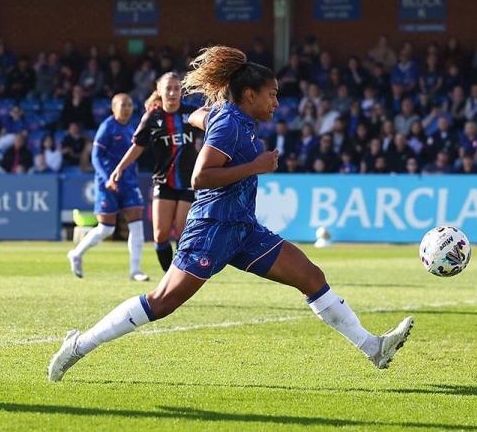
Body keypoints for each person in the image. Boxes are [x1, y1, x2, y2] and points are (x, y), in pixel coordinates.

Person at [48, 47, 413, 382]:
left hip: (243, 229)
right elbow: (201, 176)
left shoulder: (228, 117)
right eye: (272, 94)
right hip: (210, 228)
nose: (276, 101)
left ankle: (374, 348)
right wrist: (256, 165)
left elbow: (199, 115)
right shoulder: (230, 124)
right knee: (162, 302)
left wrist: (195, 116)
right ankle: (79, 345)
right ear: (250, 94)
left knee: (311, 275)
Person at [108, 72, 198, 273]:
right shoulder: (152, 117)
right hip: (163, 181)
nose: (173, 93)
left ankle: (180, 277)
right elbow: (138, 146)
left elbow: (214, 129)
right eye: (168, 88)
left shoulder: (192, 114)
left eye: (176, 88)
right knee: (160, 235)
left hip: (188, 182)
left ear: (181, 91)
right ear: (159, 91)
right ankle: (169, 276)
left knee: (183, 232)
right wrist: (119, 169)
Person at [66, 93, 149, 282]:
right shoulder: (107, 127)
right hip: (108, 183)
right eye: (123, 105)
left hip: (129, 182)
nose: (127, 108)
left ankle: (135, 270)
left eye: (129, 105)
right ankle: (76, 254)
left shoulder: (132, 128)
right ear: (113, 108)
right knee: (106, 229)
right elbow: (95, 156)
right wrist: (106, 179)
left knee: (136, 224)